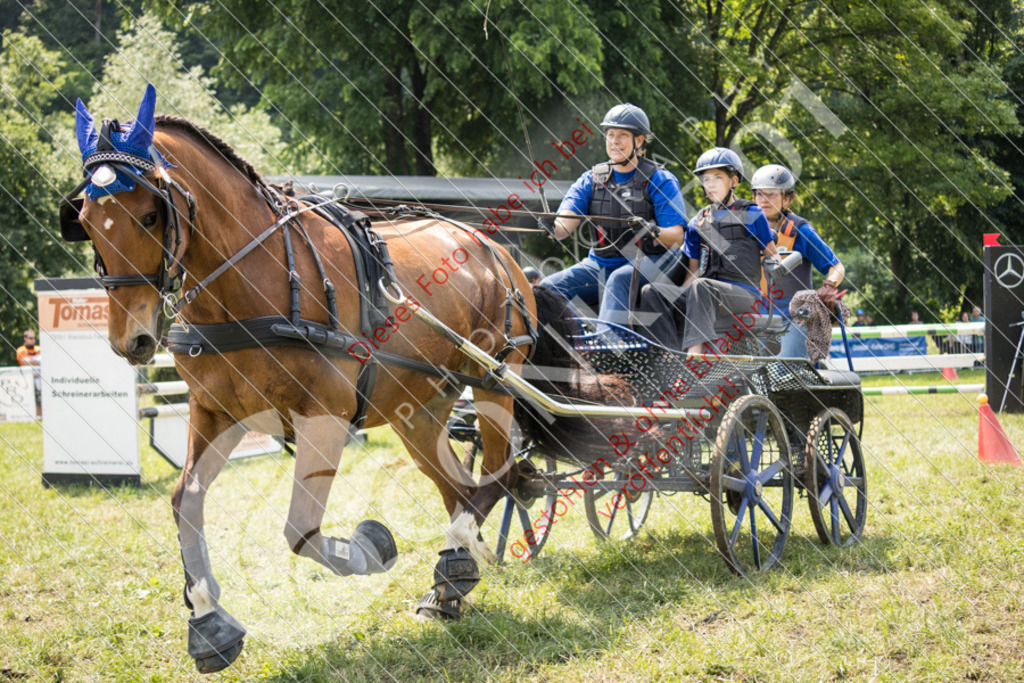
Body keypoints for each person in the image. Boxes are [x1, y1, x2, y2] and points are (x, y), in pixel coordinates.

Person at [540, 103, 686, 329]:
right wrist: (552, 226)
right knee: (546, 290)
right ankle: (577, 345)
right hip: (599, 263)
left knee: (618, 279)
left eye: (622, 135)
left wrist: (653, 231)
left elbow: (677, 237)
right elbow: (562, 228)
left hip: (652, 263)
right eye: (610, 135)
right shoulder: (590, 179)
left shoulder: (660, 179)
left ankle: (606, 348)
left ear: (639, 141)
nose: (614, 141)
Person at [637, 147, 780, 354]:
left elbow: (773, 255)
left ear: (734, 181)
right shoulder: (698, 222)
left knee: (702, 287)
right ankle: (667, 357)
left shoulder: (752, 214)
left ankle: (695, 355)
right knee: (652, 292)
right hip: (705, 292)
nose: (710, 185)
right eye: (705, 180)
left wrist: (775, 265)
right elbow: (693, 272)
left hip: (744, 293)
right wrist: (680, 299)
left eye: (717, 178)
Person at [749, 164, 844, 358]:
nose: (764, 200)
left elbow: (837, 266)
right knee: (753, 375)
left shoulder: (801, 231)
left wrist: (829, 285)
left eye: (772, 194)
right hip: (757, 316)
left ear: (787, 198)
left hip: (795, 317)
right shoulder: (746, 230)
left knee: (786, 373)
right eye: (759, 194)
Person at [16, 330, 41, 416]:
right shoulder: (21, 350)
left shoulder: (39, 348)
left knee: (39, 399)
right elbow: (23, 361)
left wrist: (31, 361)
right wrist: (37, 362)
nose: (33, 340)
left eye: (34, 338)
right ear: (25, 339)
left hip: (40, 379)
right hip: (27, 380)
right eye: (31, 338)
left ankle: (39, 416)